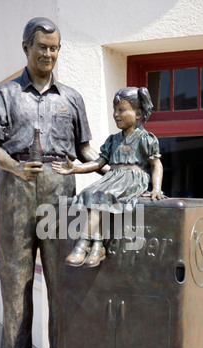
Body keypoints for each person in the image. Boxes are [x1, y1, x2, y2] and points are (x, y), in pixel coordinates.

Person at [0, 17, 99, 348]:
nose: (49, 53)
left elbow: (85, 149)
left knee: (62, 279)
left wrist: (109, 162)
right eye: (42, 47)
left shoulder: (72, 98)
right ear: (26, 48)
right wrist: (15, 166)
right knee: (16, 280)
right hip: (17, 188)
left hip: (60, 191)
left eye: (54, 48)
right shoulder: (4, 95)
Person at [52, 86, 166, 268]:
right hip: (112, 178)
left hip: (133, 178)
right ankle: (97, 246)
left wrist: (156, 188)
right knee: (90, 192)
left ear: (137, 114)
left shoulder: (145, 138)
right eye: (115, 110)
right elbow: (98, 163)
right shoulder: (113, 140)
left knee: (103, 195)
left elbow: (156, 164)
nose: (116, 114)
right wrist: (74, 168)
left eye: (121, 110)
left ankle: (83, 244)